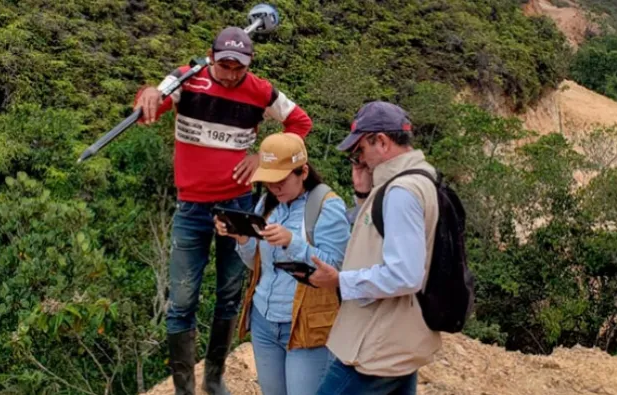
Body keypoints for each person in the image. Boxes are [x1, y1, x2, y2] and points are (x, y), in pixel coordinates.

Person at [132, 26, 313, 395]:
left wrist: (260, 156)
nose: (232, 74)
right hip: (192, 208)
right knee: (182, 300)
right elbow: (151, 104)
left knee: (229, 294)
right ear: (211, 57)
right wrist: (149, 93)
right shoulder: (187, 78)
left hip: (237, 207)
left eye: (239, 68)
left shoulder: (260, 91)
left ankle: (213, 379)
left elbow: (300, 122)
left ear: (248, 65)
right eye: (225, 65)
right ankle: (185, 389)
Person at [300, 101, 441, 394]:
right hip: (397, 339)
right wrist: (364, 194)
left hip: (375, 344)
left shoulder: (401, 191)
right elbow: (381, 239)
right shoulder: (418, 177)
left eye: (360, 149)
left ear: (382, 141)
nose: (358, 158)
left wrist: (339, 280)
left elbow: (405, 274)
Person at [213, 133, 350, 395]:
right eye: (269, 181)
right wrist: (241, 238)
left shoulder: (326, 207)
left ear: (303, 172)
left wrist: (292, 242)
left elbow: (335, 271)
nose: (275, 187)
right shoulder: (268, 204)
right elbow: (258, 267)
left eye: (281, 180)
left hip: (305, 325)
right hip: (265, 320)